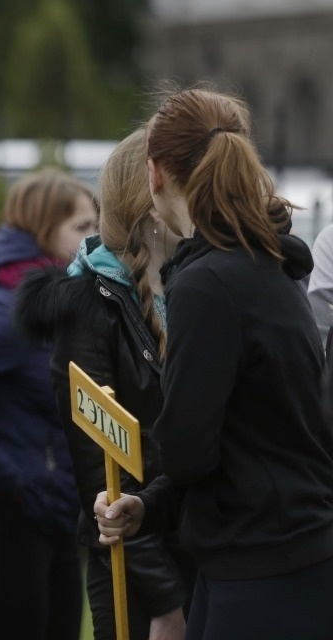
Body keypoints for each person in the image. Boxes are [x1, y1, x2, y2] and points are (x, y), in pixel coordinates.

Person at [94, 87, 333, 640]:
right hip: (290, 554)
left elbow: (188, 448)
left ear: (154, 174)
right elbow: (248, 434)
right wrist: (150, 506)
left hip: (260, 571)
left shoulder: (210, 282)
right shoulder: (267, 261)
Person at [17, 129, 193, 640]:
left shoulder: (193, 284)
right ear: (152, 199)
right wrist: (165, 598)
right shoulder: (91, 304)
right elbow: (102, 472)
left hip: (198, 546)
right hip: (137, 566)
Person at [0, 168, 93, 640]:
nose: (92, 239)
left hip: (59, 517)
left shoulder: (65, 304)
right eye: (81, 227)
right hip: (11, 524)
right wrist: (16, 482)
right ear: (42, 228)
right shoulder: (3, 314)